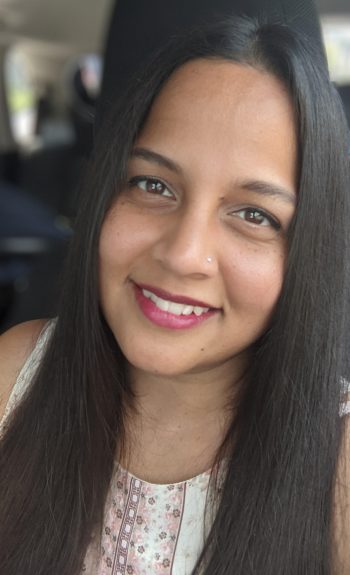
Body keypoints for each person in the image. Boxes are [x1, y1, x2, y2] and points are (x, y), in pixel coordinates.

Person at [0, 15, 349, 575]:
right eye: (153, 185)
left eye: (255, 215)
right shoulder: (16, 378)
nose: (184, 254)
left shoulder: (340, 462)